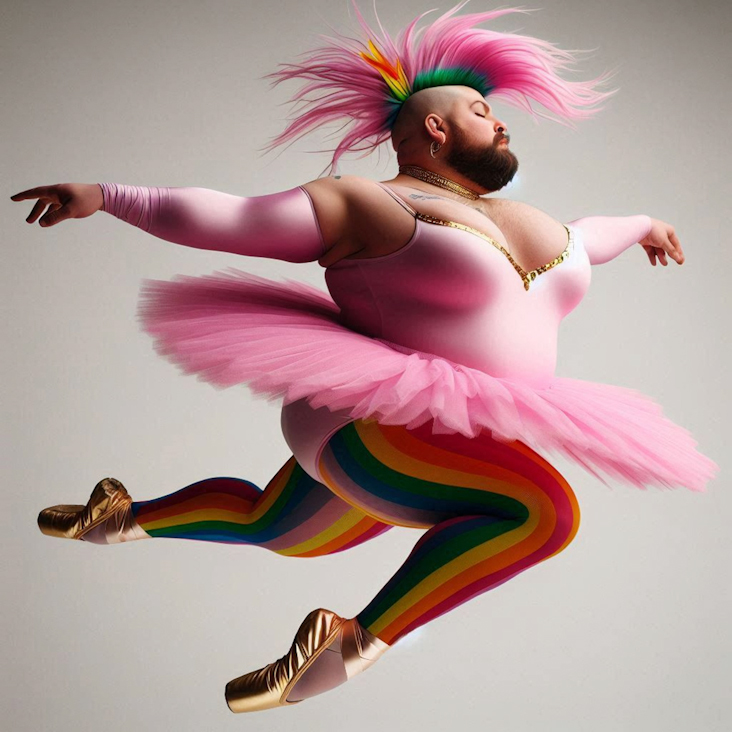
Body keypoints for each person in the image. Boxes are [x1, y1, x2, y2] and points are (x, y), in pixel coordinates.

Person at [10, 1, 718, 715]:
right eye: (480, 110)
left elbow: (593, 236)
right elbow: (231, 218)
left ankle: (120, 516)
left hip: (452, 436)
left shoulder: (538, 224)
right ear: (434, 130)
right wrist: (107, 196)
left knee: (276, 526)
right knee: (543, 513)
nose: (500, 121)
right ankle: (351, 645)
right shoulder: (369, 203)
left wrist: (645, 225)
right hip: (373, 419)